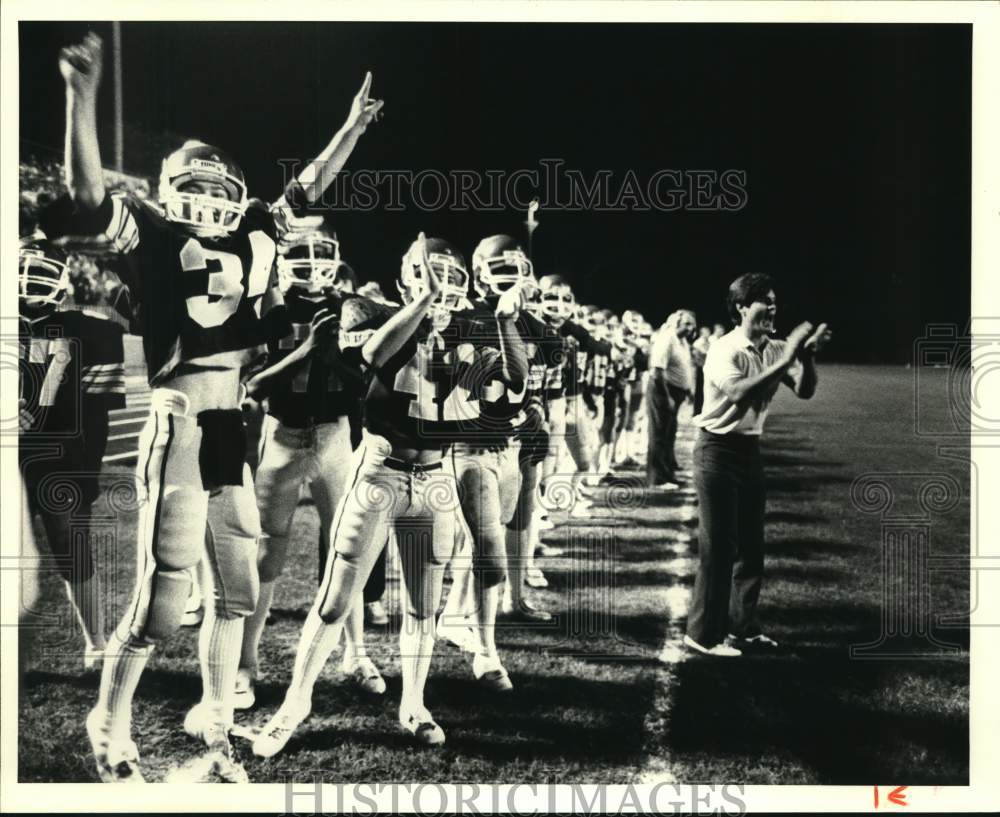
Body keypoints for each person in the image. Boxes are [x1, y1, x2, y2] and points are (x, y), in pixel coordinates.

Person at [49, 30, 382, 783]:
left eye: (215, 191)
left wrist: (352, 129)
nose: (204, 203)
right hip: (181, 420)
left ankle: (217, 725)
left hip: (232, 424)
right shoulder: (156, 233)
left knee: (235, 587)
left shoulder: (252, 230)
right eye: (191, 190)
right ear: (170, 193)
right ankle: (110, 716)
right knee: (165, 595)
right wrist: (83, 95)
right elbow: (88, 196)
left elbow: (308, 190)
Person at [683, 273, 830, 657]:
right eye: (764, 300)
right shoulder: (724, 348)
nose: (773, 307)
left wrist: (806, 358)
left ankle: (742, 629)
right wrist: (787, 356)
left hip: (749, 450)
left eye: (775, 300)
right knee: (719, 546)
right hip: (716, 450)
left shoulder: (772, 347)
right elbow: (740, 394)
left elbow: (805, 389)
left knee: (751, 545)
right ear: (742, 307)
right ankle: (702, 634)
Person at [18, 235, 127, 670]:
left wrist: (84, 475)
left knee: (71, 545)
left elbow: (96, 416)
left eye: (40, 273)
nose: (26, 282)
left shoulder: (96, 332)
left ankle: (95, 640)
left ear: (62, 282)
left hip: (59, 453)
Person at [645, 309, 697, 488]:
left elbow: (684, 367)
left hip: (674, 392)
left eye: (693, 325)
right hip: (663, 391)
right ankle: (657, 478)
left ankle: (667, 473)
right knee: (659, 434)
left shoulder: (681, 340)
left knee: (668, 434)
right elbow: (657, 371)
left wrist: (688, 390)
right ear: (676, 323)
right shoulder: (667, 337)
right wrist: (667, 397)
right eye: (687, 324)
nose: (691, 328)